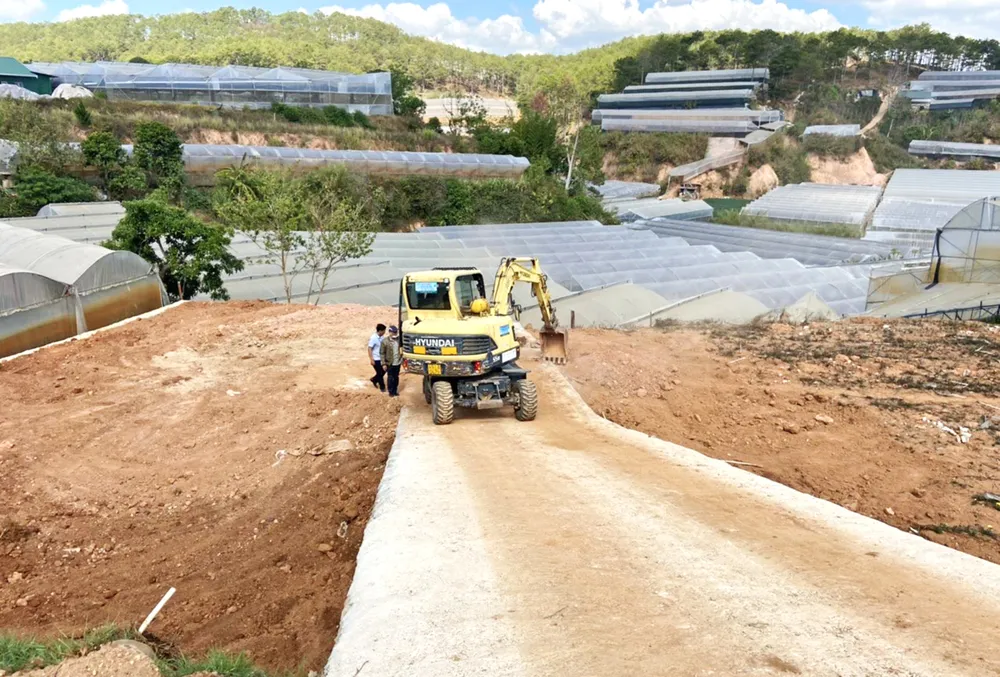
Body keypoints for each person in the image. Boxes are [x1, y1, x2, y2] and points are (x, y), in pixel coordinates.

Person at [380, 325, 403, 397]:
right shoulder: (385, 341)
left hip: (398, 362)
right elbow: (382, 353)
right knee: (390, 377)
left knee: (396, 377)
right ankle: (391, 391)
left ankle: (395, 390)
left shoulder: (399, 340)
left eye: (395, 333)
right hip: (389, 363)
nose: (395, 334)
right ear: (389, 332)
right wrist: (383, 364)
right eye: (393, 333)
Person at [368, 324, 386, 392]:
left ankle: (374, 379)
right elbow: (369, 348)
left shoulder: (382, 337)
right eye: (384, 331)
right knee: (380, 373)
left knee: (383, 371)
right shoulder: (373, 338)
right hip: (376, 359)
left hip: (382, 358)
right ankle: (382, 388)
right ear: (380, 331)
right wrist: (371, 359)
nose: (384, 332)